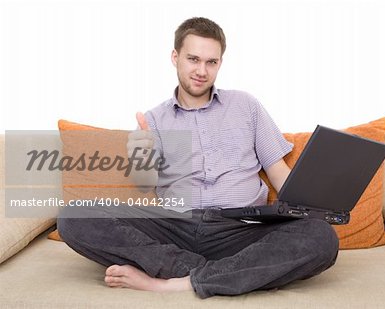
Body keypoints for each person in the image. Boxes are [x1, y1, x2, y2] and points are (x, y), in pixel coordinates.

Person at [57, 17, 339, 299]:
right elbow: (145, 184)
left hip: (239, 231)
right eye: (193, 59)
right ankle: (230, 274)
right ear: (175, 57)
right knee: (74, 215)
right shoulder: (154, 119)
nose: (201, 71)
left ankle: (173, 282)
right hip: (174, 227)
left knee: (321, 237)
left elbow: (278, 170)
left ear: (220, 63)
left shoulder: (246, 106)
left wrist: (316, 204)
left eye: (211, 62)